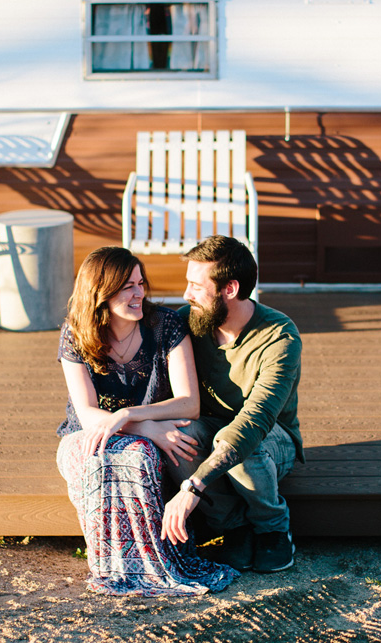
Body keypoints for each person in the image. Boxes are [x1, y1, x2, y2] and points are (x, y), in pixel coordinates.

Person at [55, 246, 238, 596]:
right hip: (87, 434)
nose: (139, 293)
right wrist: (145, 428)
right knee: (98, 459)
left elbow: (189, 404)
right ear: (101, 291)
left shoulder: (166, 325)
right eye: (127, 286)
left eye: (140, 283)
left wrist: (129, 415)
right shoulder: (74, 332)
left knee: (140, 458)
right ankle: (115, 565)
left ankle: (154, 563)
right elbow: (87, 413)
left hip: (145, 432)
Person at [161, 235, 304, 573]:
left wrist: (193, 486)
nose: (186, 295)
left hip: (271, 439)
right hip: (212, 431)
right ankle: (233, 526)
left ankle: (273, 528)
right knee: (177, 435)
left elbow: (255, 421)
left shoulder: (280, 337)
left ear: (229, 289)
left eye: (197, 287)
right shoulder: (189, 322)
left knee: (241, 441)